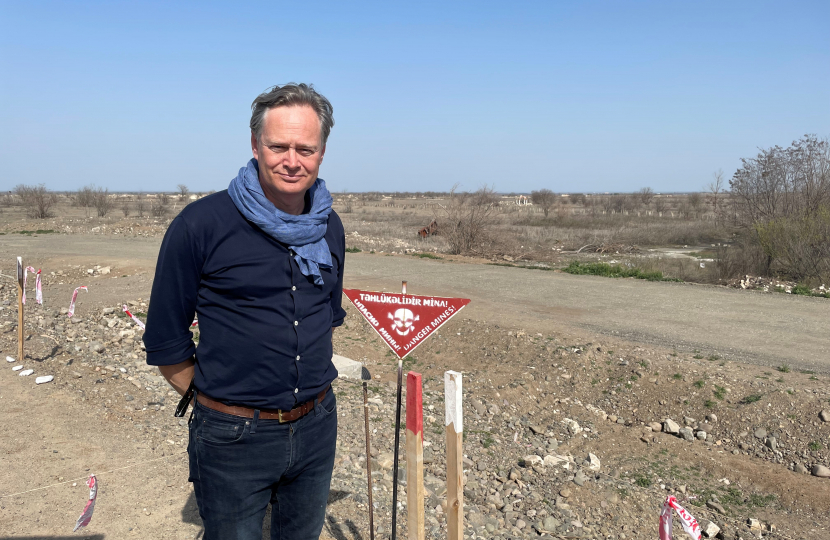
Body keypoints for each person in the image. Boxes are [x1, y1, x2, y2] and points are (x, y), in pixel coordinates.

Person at [143, 83, 346, 540]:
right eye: (278, 146)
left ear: (322, 152)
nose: (291, 160)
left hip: (316, 428)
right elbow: (165, 342)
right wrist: (220, 405)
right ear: (255, 145)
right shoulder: (201, 225)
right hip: (232, 437)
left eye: (305, 148)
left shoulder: (329, 225)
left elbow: (327, 316)